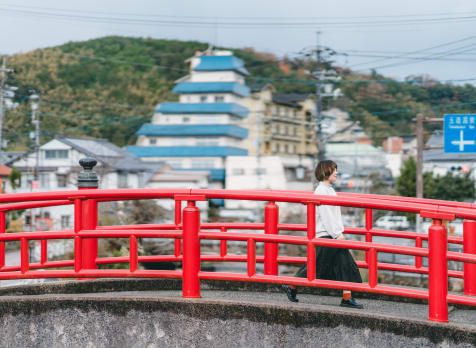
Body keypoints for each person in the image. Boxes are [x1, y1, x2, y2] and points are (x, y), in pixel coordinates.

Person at [282, 160, 364, 309]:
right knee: (316, 266)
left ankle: (347, 297)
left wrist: (339, 233)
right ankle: (291, 286)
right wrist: (338, 235)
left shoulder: (330, 190)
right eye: (333, 170)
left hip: (331, 234)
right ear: (325, 171)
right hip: (326, 235)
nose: (336, 173)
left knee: (343, 264)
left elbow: (334, 216)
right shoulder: (321, 191)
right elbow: (327, 217)